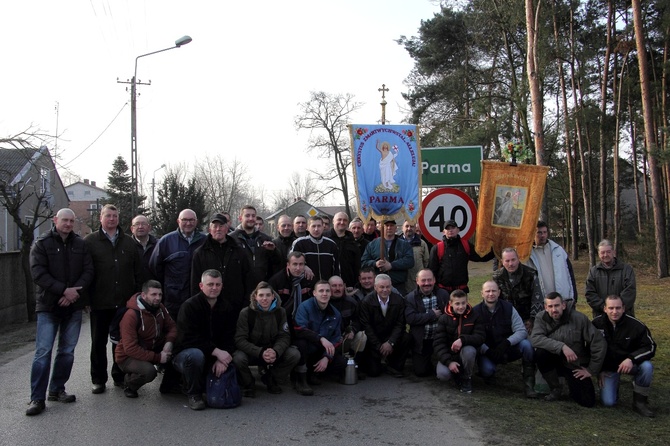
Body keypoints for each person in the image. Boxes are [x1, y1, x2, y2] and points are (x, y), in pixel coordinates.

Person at [26, 208, 94, 416]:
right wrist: (63, 290)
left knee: (67, 351)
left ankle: (57, 389)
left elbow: (88, 271)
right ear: (55, 220)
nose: (68, 224)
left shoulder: (80, 245)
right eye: (64, 220)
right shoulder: (42, 244)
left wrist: (74, 294)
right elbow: (38, 273)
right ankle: (36, 398)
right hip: (48, 306)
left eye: (71, 221)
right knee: (43, 352)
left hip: (73, 306)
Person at [85, 204, 142, 394]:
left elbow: (138, 271)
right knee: (98, 343)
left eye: (115, 216)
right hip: (100, 302)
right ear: (101, 218)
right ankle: (98, 380)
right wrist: (86, 299)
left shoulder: (129, 243)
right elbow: (85, 272)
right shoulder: (90, 242)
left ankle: (119, 376)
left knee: (121, 343)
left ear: (119, 219)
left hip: (124, 303)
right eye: (108, 215)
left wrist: (137, 297)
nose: (111, 219)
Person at [172, 269, 235, 410]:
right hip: (185, 355)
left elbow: (230, 337)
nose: (214, 288)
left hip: (213, 355)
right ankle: (194, 394)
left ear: (222, 286)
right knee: (195, 355)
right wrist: (216, 351)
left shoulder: (226, 307)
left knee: (233, 358)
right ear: (201, 286)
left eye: (217, 285)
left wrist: (222, 358)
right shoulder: (189, 306)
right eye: (210, 284)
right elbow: (187, 338)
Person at [530, 292, 606, 407]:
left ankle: (571, 386)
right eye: (550, 306)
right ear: (545, 307)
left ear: (563, 305)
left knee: (587, 401)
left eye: (557, 305)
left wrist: (591, 370)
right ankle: (555, 388)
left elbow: (599, 343)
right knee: (540, 353)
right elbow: (535, 339)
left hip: (573, 363)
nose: (554, 309)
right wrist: (562, 347)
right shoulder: (541, 317)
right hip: (553, 359)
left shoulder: (579, 318)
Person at [472, 281, 538, 398]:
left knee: (527, 345)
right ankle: (488, 376)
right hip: (487, 352)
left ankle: (529, 384)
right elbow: (473, 337)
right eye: (487, 291)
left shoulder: (509, 308)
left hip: (507, 348)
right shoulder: (475, 312)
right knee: (487, 370)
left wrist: (507, 343)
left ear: (499, 292)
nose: (491, 294)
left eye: (493, 291)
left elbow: (522, 331)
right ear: (482, 293)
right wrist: (486, 351)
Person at [592, 295, 656, 417]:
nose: (614, 312)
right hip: (609, 368)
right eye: (611, 308)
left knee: (647, 367)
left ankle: (640, 402)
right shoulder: (596, 324)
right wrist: (599, 370)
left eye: (618, 308)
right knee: (608, 402)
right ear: (605, 309)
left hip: (630, 364)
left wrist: (631, 359)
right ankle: (614, 385)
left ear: (623, 308)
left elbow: (650, 347)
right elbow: (589, 349)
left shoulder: (636, 325)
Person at [233, 282, 300, 397]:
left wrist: (275, 351)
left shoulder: (280, 312)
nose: (265, 299)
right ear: (255, 296)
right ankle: (249, 383)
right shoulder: (246, 313)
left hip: (272, 352)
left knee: (294, 354)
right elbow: (240, 339)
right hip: (253, 352)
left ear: (273, 296)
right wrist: (260, 352)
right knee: (238, 358)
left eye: (268, 295)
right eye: (261, 295)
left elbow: (284, 336)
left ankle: (271, 377)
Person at [114, 280, 177, 398]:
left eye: (160, 295)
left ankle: (170, 385)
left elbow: (172, 326)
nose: (158, 298)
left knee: (179, 346)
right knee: (149, 372)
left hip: (151, 347)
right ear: (143, 295)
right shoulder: (131, 315)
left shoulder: (160, 308)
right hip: (128, 356)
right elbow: (130, 348)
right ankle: (129, 383)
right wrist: (158, 357)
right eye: (153, 294)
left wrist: (169, 343)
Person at [294, 281, 347, 395]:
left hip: (321, 350)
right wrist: (320, 339)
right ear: (314, 293)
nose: (324, 294)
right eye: (321, 291)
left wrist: (326, 358)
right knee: (301, 344)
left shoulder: (335, 313)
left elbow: (337, 339)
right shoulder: (305, 307)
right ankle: (300, 380)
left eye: (327, 291)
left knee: (341, 363)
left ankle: (314, 374)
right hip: (307, 347)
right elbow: (299, 329)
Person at [149, 209, 206, 317]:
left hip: (199, 297)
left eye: (191, 220)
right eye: (184, 220)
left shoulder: (205, 240)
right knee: (174, 331)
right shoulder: (166, 241)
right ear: (178, 221)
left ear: (196, 222)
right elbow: (154, 267)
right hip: (174, 299)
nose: (188, 223)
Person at [190, 213, 250, 314]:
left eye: (221, 226)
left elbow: (248, 279)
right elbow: (194, 283)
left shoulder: (239, 251)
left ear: (227, 229)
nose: (218, 229)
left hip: (235, 307)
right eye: (215, 226)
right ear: (210, 230)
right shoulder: (200, 253)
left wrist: (245, 304)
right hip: (209, 308)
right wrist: (198, 305)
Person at [358, 274, 410, 377]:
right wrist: (379, 346)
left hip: (391, 337)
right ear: (375, 287)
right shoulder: (366, 302)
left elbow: (400, 324)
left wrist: (390, 342)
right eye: (382, 287)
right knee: (374, 372)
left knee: (407, 336)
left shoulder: (399, 300)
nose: (385, 290)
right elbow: (366, 326)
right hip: (374, 340)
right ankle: (379, 362)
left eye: (388, 287)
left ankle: (394, 366)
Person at [433, 290, 485, 393]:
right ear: (451, 303)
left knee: (469, 351)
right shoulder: (444, 319)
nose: (461, 306)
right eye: (457, 303)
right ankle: (455, 374)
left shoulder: (475, 316)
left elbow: (480, 337)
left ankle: (467, 378)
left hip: (466, 352)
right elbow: (438, 343)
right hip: (449, 354)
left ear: (467, 302)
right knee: (442, 374)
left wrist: (462, 340)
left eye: (463, 303)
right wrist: (449, 362)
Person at [428, 219, 494, 294]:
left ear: (458, 230)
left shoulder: (465, 245)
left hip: (461, 291)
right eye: (448, 228)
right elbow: (431, 271)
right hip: (443, 291)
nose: (450, 230)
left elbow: (480, 256)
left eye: (453, 228)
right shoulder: (437, 248)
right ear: (444, 232)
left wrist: (495, 251)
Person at [404, 269, 449, 377]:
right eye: (423, 280)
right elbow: (410, 318)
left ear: (434, 280)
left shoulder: (443, 294)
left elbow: (450, 316)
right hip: (421, 341)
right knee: (421, 372)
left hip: (440, 339)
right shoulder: (410, 298)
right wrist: (431, 315)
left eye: (429, 280)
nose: (427, 283)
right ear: (417, 281)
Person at [526, 221, 577, 306]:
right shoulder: (527, 255)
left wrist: (574, 296)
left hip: (563, 301)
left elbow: (570, 274)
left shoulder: (559, 251)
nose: (542, 235)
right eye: (539, 232)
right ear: (533, 234)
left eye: (544, 232)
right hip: (541, 303)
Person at [231, 205, 281, 289]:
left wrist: (273, 251)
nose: (251, 218)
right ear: (240, 218)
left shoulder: (265, 239)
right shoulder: (231, 239)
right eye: (247, 216)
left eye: (253, 216)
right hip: (238, 288)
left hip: (261, 288)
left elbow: (276, 263)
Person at [361, 219, 414, 295]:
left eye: (392, 225)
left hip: (398, 284)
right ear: (381, 227)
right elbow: (363, 262)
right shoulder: (372, 245)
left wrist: (391, 265)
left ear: (396, 228)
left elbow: (410, 261)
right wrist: (375, 263)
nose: (389, 228)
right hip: (378, 285)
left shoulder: (404, 245)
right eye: (387, 225)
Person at [585, 239, 636, 317]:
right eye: (602, 252)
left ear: (613, 252)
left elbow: (630, 291)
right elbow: (590, 293)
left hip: (624, 316)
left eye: (608, 252)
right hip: (601, 315)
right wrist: (604, 308)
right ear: (598, 254)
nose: (605, 255)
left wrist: (617, 308)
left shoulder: (626, 269)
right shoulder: (593, 272)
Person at [492, 247, 542, 327]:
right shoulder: (497, 277)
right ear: (502, 262)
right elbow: (494, 299)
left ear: (518, 259)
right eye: (507, 261)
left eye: (513, 260)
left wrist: (533, 319)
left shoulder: (530, 274)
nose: (511, 264)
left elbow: (537, 299)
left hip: (527, 320)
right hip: (505, 319)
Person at [269, 251, 314, 329]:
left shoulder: (309, 279)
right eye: (295, 264)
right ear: (288, 265)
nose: (298, 268)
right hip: (283, 319)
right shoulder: (277, 280)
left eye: (301, 264)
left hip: (305, 319)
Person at [291, 215, 340, 281]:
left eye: (319, 226)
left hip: (326, 286)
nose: (316, 229)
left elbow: (337, 267)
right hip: (306, 285)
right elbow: (292, 262)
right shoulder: (299, 243)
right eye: (313, 226)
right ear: (308, 228)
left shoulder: (331, 244)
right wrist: (304, 266)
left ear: (323, 227)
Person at [328, 276, 366, 359]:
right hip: (327, 339)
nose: (338, 288)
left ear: (344, 286)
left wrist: (353, 331)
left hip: (345, 337)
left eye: (340, 285)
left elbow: (358, 320)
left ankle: (353, 362)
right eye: (334, 286)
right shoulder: (323, 302)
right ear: (328, 286)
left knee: (362, 337)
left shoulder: (351, 302)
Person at [324, 212, 361, 288]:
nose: (342, 222)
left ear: (348, 223)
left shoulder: (353, 242)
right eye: (339, 220)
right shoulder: (324, 239)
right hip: (327, 283)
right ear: (333, 221)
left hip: (348, 283)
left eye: (345, 220)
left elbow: (357, 265)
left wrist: (355, 283)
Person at [400, 221, 430, 294]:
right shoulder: (397, 243)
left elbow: (426, 261)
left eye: (412, 226)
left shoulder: (422, 243)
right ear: (402, 228)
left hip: (416, 284)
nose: (409, 228)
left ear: (415, 228)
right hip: (400, 283)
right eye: (407, 226)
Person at [130, 214, 158, 284]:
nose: (140, 227)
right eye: (137, 224)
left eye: (143, 224)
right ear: (132, 229)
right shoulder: (127, 246)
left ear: (149, 227)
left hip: (155, 289)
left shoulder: (159, 245)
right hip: (134, 291)